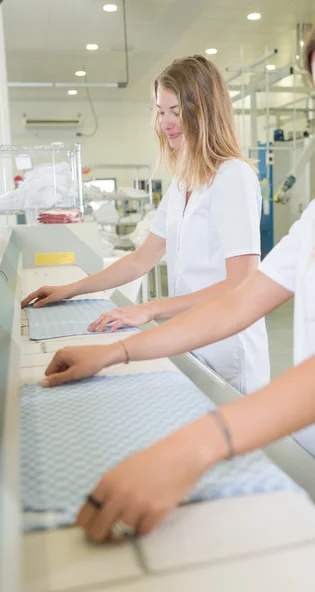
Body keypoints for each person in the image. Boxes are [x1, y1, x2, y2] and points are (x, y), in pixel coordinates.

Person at [41, 0, 315, 540]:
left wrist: (196, 444)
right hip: (314, 467)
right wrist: (115, 350)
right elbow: (242, 298)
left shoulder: (235, 177)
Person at [21, 56, 270, 395]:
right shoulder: (183, 181)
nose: (165, 122)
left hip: (228, 348)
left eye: (175, 111)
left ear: (203, 111)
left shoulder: (232, 177)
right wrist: (71, 289)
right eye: (160, 110)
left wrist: (149, 309)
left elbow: (240, 283)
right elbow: (143, 258)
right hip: (191, 336)